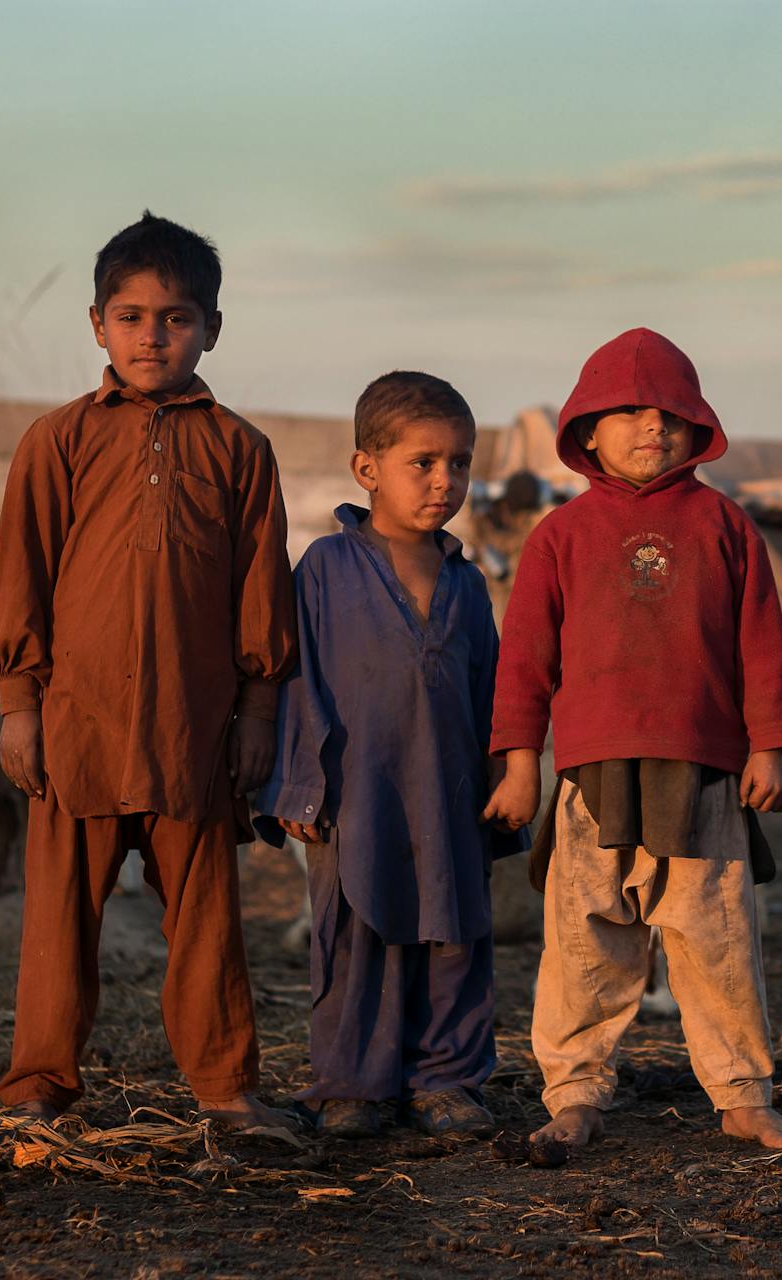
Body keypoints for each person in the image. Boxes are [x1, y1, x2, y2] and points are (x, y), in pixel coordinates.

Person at [0, 211, 297, 1132]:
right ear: (95, 325)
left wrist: (260, 710)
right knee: (57, 924)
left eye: (175, 317)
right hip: (76, 723)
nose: (152, 335)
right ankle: (38, 1089)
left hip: (191, 728)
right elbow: (21, 578)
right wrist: (17, 705)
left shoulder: (240, 450)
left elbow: (260, 590)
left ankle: (226, 1091)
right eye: (130, 316)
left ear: (211, 328)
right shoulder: (59, 440)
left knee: (205, 923)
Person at [483, 328, 782, 1151]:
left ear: (697, 425)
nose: (651, 426)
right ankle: (576, 1091)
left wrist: (769, 745)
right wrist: (521, 765)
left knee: (716, 937)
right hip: (590, 774)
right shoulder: (558, 536)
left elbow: (761, 644)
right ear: (586, 430)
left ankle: (741, 1093)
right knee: (585, 936)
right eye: (626, 411)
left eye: (669, 411)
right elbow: (524, 660)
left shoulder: (725, 526)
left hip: (704, 770)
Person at [255, 371, 522, 1140]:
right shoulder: (325, 571)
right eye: (424, 462)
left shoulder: (468, 585)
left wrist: (509, 770)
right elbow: (296, 679)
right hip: (354, 794)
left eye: (461, 463)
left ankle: (445, 1079)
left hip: (449, 788)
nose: (446, 481)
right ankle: (354, 1084)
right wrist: (299, 786)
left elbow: (491, 689)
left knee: (453, 932)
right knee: (354, 937)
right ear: (366, 469)